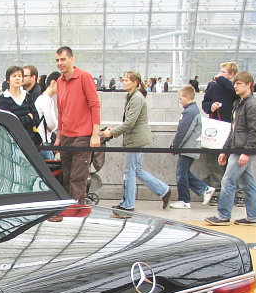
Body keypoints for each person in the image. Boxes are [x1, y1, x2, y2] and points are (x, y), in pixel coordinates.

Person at [102, 71, 170, 213]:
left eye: (127, 80)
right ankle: (164, 190)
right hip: (136, 139)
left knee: (130, 171)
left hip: (136, 140)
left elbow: (129, 123)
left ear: (135, 83)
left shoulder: (136, 98)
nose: (124, 82)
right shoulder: (133, 96)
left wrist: (112, 133)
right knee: (136, 170)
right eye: (124, 80)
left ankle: (128, 205)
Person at [205, 71, 256, 226]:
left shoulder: (252, 105)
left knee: (228, 180)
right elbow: (234, 130)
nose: (235, 86)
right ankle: (254, 216)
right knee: (247, 183)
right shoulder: (240, 103)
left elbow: (254, 131)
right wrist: (225, 150)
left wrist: (247, 152)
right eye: (235, 83)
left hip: (242, 150)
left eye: (239, 83)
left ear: (248, 84)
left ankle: (223, 215)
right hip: (238, 149)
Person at [54, 46, 101, 204]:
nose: (60, 63)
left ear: (72, 59)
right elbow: (61, 111)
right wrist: (59, 137)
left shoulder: (84, 77)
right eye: (57, 60)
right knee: (66, 176)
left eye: (63, 59)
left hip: (83, 135)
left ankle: (77, 210)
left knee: (77, 177)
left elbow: (95, 105)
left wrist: (95, 134)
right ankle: (69, 209)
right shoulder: (59, 81)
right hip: (66, 135)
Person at [168, 85, 215, 208]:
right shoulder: (193, 110)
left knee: (181, 173)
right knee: (184, 172)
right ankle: (204, 189)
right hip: (190, 147)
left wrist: (175, 146)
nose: (180, 101)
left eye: (181, 98)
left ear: (188, 97)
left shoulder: (189, 111)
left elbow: (183, 131)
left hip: (187, 147)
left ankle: (185, 200)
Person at [201, 61, 238, 201]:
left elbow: (233, 91)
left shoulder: (233, 87)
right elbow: (205, 104)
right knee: (215, 162)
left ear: (232, 75)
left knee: (233, 162)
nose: (220, 74)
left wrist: (221, 79)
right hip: (217, 127)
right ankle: (216, 192)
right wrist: (211, 106)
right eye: (220, 72)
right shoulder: (212, 86)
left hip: (231, 128)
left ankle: (236, 193)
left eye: (224, 72)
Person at [0, 66, 41, 155]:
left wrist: (19, 119)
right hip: (12, 143)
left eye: (20, 76)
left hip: (30, 142)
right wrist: (28, 118)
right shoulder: (4, 98)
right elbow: (8, 123)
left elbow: (36, 120)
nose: (17, 78)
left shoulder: (28, 96)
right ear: (8, 80)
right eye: (14, 76)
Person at [34, 71, 60, 161]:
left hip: (40, 143)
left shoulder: (42, 98)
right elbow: (51, 124)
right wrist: (56, 126)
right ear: (53, 83)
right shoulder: (46, 99)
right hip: (44, 144)